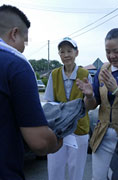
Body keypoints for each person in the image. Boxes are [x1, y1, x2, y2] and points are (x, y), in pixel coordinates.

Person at [0, 5, 62, 180]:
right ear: (14, 33)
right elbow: (39, 142)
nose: (23, 48)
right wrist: (56, 141)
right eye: (24, 41)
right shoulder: (16, 66)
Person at [76, 27, 118, 180]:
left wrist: (116, 90)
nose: (111, 56)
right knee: (99, 177)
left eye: (116, 51)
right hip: (102, 137)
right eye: (107, 52)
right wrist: (89, 96)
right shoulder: (103, 70)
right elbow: (91, 105)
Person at [44, 37, 92, 180]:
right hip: (58, 129)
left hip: (79, 128)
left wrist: (89, 97)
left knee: (76, 169)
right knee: (54, 168)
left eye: (69, 51)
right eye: (62, 52)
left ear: (76, 53)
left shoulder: (85, 74)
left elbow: (90, 103)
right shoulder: (54, 74)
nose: (66, 55)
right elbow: (49, 102)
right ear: (59, 55)